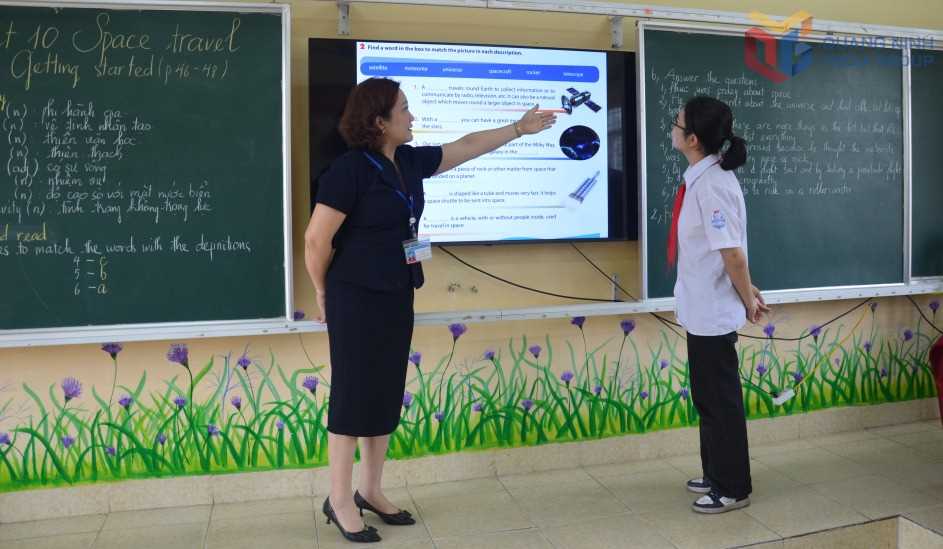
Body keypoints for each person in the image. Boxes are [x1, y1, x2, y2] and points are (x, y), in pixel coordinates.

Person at [304, 77, 556, 542]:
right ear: (379, 121)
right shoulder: (349, 170)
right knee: (353, 396)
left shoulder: (407, 162)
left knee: (384, 392)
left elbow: (466, 147)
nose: (412, 116)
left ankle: (369, 490)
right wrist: (322, 292)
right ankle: (339, 500)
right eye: (404, 108)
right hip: (355, 297)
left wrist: (518, 129)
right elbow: (316, 240)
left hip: (397, 293)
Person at [667, 95, 770, 514]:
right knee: (708, 400)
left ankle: (732, 488)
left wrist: (748, 298)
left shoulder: (711, 184)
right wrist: (748, 289)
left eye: (676, 123)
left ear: (693, 139)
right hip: (702, 307)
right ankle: (715, 473)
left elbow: (732, 254)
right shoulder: (702, 178)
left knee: (720, 402)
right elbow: (723, 251)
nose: (671, 128)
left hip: (712, 311)